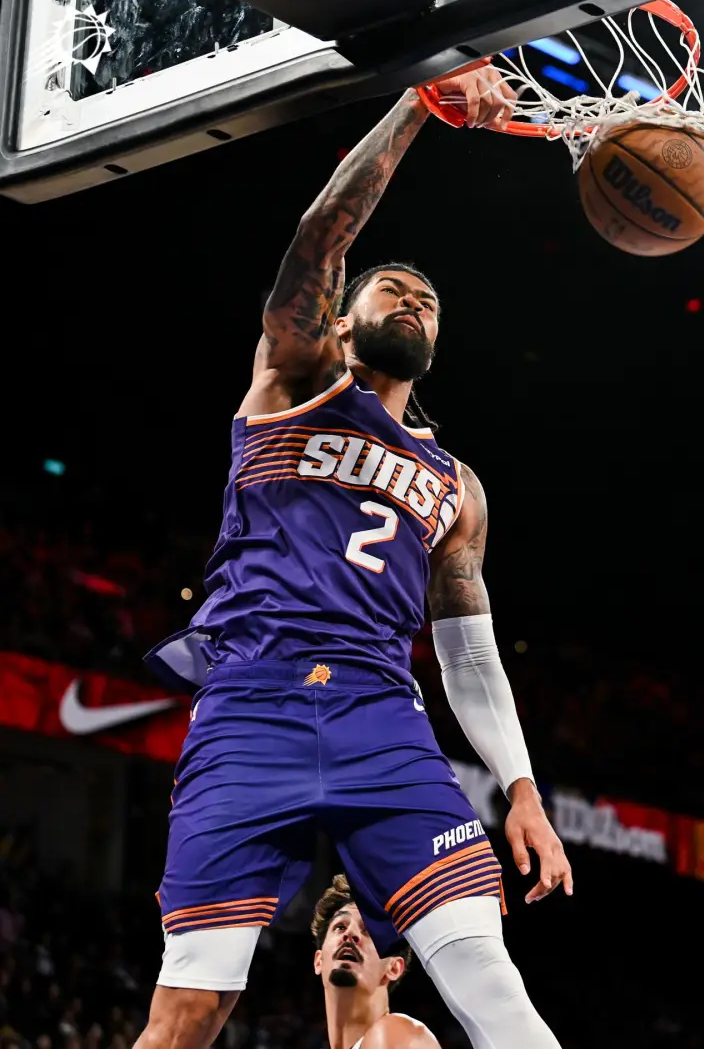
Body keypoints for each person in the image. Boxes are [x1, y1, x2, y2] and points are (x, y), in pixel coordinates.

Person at [139, 64, 573, 1049]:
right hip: (255, 700)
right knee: (190, 1010)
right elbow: (319, 235)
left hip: (385, 718)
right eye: (393, 287)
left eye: (428, 300)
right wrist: (418, 106)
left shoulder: (455, 484)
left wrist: (517, 788)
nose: (414, 300)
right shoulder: (292, 379)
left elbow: (465, 656)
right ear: (337, 317)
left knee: (489, 980)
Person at [312, 874, 439, 1049]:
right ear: (319, 960)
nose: (350, 934)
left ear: (393, 968)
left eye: (369, 932)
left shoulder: (395, 1034)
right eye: (340, 926)